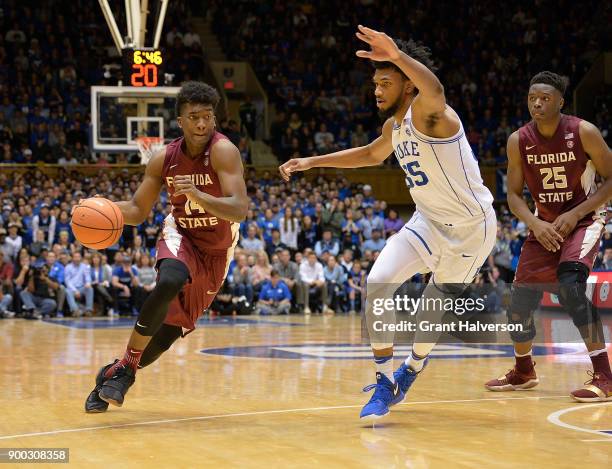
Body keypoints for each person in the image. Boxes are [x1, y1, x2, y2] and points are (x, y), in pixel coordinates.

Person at [280, 26, 496, 419]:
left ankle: (411, 369)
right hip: (428, 221)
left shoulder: (433, 115)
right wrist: (312, 161)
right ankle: (384, 381)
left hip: (470, 228)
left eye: (385, 82)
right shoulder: (393, 127)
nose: (377, 90)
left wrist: (397, 56)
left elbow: (436, 90)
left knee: (431, 312)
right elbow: (369, 154)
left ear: (408, 85)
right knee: (377, 283)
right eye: (374, 82)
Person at [85, 81, 247, 413]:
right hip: (181, 235)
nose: (202, 124)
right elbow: (137, 210)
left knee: (162, 341)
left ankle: (115, 371)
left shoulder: (223, 150)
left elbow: (240, 208)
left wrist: (199, 195)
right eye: (194, 117)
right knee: (170, 279)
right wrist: (100, 208)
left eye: (207, 117)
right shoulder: (163, 159)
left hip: (217, 250)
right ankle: (127, 369)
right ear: (180, 121)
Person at [485, 71, 612, 402]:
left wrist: (574, 213)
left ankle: (605, 376)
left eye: (544, 98)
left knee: (570, 287)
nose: (537, 104)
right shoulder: (518, 140)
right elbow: (512, 195)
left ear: (560, 102)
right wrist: (534, 222)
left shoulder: (583, 132)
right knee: (518, 304)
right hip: (544, 224)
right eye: (531, 98)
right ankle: (524, 370)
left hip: (584, 219)